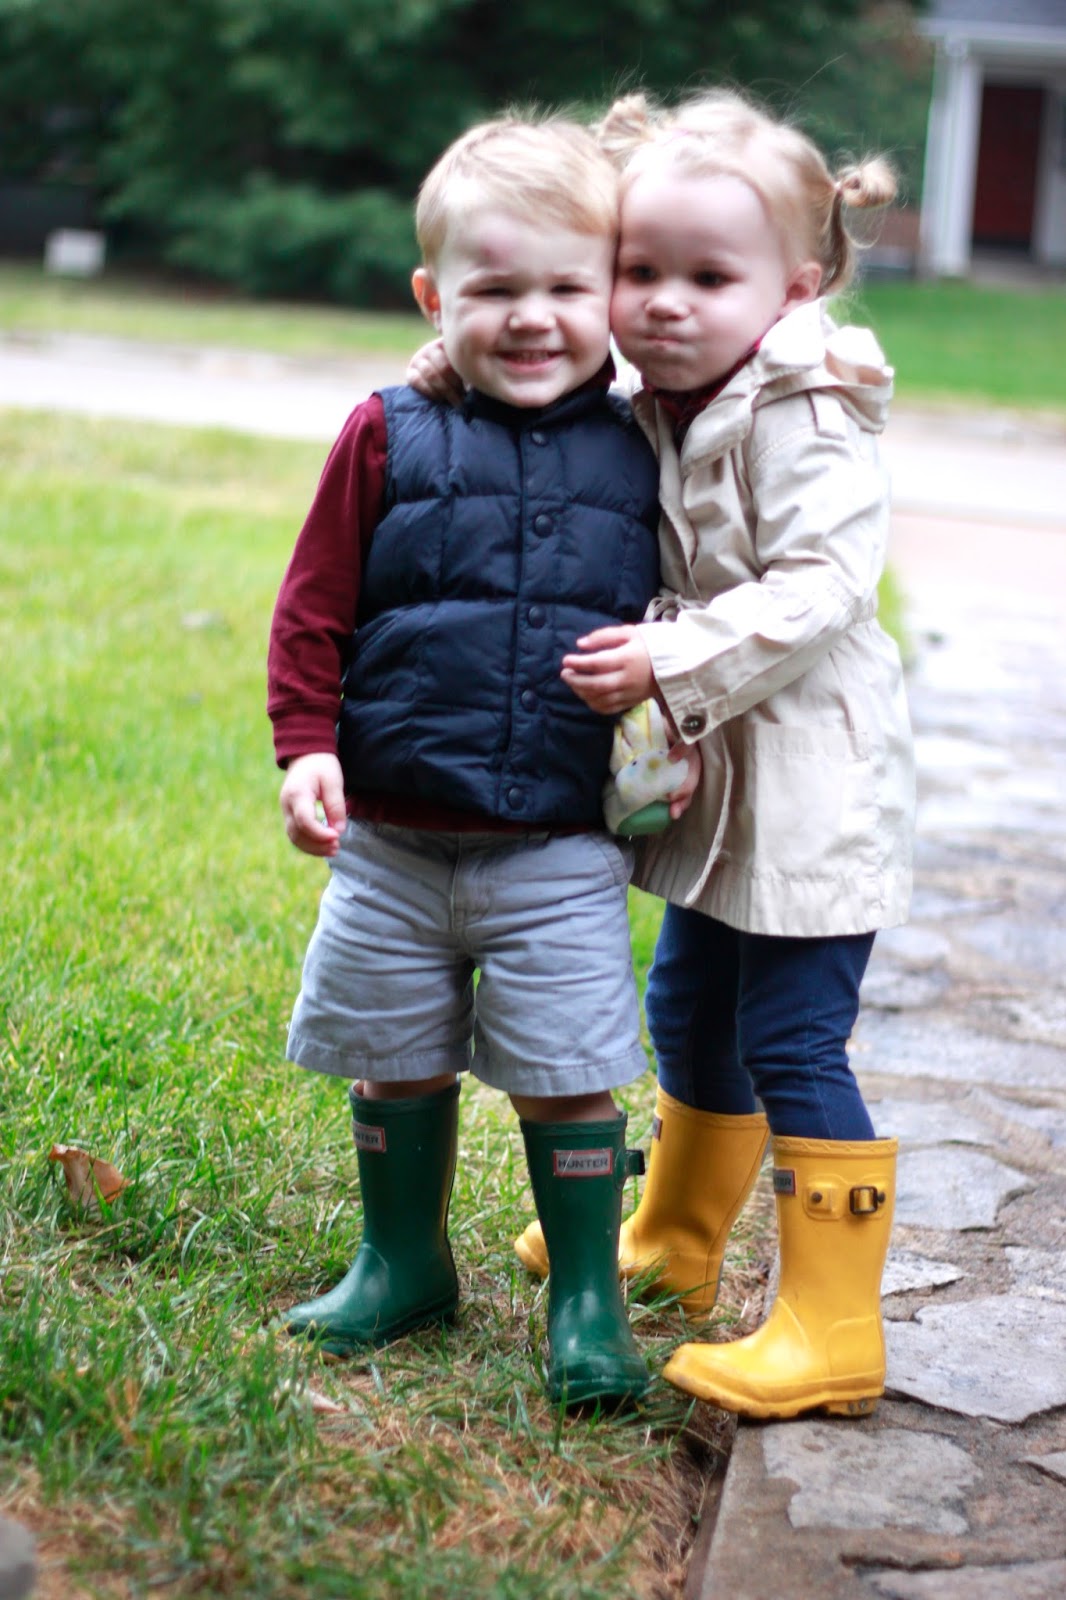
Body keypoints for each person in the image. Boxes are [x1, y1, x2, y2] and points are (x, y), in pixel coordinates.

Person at [456, 88, 912, 1421]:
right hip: (730, 778)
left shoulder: (804, 411)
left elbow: (824, 586)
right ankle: (675, 1239)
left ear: (793, 289)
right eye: (639, 270)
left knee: (792, 1035)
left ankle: (833, 1326)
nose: (662, 303)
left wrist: (671, 656)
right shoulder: (670, 391)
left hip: (811, 780)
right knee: (688, 1005)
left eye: (708, 278)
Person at [267, 113, 696, 1409]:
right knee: (393, 1052)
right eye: (494, 289)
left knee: (568, 1073)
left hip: (558, 844)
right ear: (432, 296)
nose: (531, 319)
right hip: (392, 842)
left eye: (566, 288)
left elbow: (694, 606)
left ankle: (586, 1302)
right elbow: (314, 607)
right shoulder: (385, 431)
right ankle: (401, 1262)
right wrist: (304, 747)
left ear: (610, 295)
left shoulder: (644, 445)